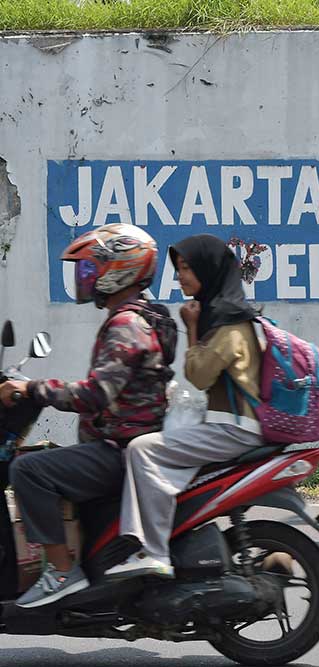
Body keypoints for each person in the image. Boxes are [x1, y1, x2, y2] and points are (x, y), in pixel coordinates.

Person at [3, 224, 173, 607]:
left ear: (120, 269)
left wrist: (32, 389)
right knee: (45, 458)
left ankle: (62, 572)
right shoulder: (142, 317)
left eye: (89, 269)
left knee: (28, 470)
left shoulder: (126, 324)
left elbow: (97, 393)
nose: (85, 278)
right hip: (127, 442)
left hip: (119, 449)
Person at [105, 234, 264, 580]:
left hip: (234, 429)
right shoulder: (225, 313)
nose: (180, 277)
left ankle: (153, 551)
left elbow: (199, 374)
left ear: (209, 270)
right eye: (178, 269)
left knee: (142, 450)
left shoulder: (231, 321)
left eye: (188, 268)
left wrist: (192, 327)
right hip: (230, 424)